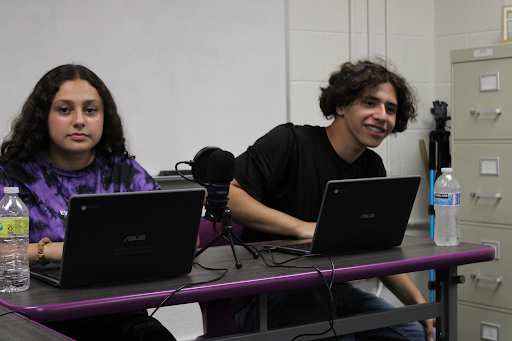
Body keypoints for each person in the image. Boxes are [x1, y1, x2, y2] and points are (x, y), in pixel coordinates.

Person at [227, 59, 435, 341]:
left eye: (390, 109)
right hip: (264, 293)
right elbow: (225, 195)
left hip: (328, 289)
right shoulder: (289, 142)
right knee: (337, 336)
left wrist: (419, 305)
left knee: (412, 333)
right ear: (341, 106)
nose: (382, 115)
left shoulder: (372, 168)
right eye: (370, 103)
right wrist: (302, 228)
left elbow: (377, 249)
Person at [0, 64, 176, 341]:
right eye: (64, 110)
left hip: (116, 310)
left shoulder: (124, 172)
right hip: (31, 312)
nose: (79, 120)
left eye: (91, 110)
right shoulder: (11, 177)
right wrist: (52, 252)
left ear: (105, 118)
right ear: (42, 116)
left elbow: (177, 237)